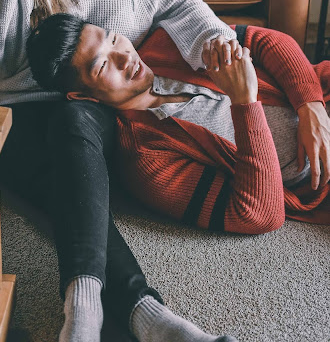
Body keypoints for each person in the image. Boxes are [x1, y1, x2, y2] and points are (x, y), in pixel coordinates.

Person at [0, 0, 240, 342]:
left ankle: (87, 319)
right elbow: (2, 60)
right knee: (71, 196)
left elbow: (184, 9)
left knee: (70, 177)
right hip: (25, 110)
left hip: (93, 106)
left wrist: (222, 47)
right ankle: (149, 318)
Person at [26, 13, 330, 233]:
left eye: (114, 39)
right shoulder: (148, 160)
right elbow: (257, 215)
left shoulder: (164, 42)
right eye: (103, 65)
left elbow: (265, 40)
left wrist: (310, 107)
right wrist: (244, 102)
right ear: (83, 95)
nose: (124, 57)